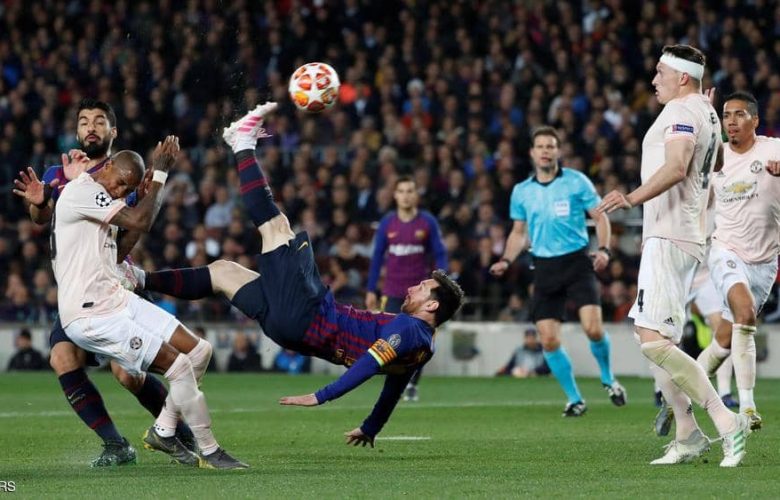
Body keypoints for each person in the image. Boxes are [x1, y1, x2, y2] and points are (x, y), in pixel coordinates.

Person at [137, 102, 465, 447]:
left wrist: (322, 395)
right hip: (292, 330)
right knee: (222, 272)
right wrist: (371, 427)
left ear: (431, 306)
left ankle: (242, 142)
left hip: (309, 315)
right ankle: (139, 279)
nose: (413, 287)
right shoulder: (423, 347)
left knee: (276, 227)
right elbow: (393, 389)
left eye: (423, 288)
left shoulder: (409, 329)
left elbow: (369, 363)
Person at [12, 99, 192, 467]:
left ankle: (183, 434)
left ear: (113, 132)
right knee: (62, 357)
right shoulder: (59, 172)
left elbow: (133, 232)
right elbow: (40, 217)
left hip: (112, 283)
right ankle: (115, 445)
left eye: (99, 121)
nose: (90, 127)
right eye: (84, 122)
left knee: (128, 374)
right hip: (77, 289)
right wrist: (40, 202)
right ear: (76, 130)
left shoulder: (126, 174)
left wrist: (147, 192)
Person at [47, 139, 246, 469]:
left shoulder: (102, 199)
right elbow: (142, 221)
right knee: (178, 367)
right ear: (108, 166)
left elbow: (121, 247)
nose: (119, 190)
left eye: (127, 188)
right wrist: (160, 175)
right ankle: (210, 450)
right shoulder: (83, 192)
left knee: (199, 351)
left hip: (116, 298)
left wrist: (144, 193)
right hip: (90, 314)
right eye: (119, 182)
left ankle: (163, 431)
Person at [599, 44, 750, 467]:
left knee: (653, 340)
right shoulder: (706, 112)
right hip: (682, 232)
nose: (653, 80)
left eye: (660, 72)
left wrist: (631, 198)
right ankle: (686, 433)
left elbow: (679, 165)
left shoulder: (683, 111)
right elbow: (714, 162)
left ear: (683, 77)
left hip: (670, 233)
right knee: (647, 335)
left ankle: (725, 420)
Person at [489, 125, 626, 417]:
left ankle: (608, 378)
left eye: (550, 146)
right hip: (544, 267)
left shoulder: (576, 182)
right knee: (549, 339)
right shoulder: (522, 191)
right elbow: (518, 233)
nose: (545, 151)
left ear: (558, 151)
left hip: (577, 262)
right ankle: (575, 399)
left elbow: (600, 217)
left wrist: (604, 249)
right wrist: (506, 260)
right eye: (540, 146)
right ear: (532, 153)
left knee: (593, 329)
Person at [694, 90, 780, 432]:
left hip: (766, 260)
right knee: (744, 314)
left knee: (725, 339)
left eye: (739, 114)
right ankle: (747, 407)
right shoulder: (715, 157)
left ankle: (682, 393)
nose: (731, 121)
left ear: (755, 120)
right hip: (726, 250)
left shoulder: (773, 149)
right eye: (726, 115)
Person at [365, 175, 448, 402]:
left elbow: (440, 253)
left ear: (416, 195)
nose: (406, 196)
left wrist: (439, 280)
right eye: (401, 191)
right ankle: (399, 381)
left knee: (421, 340)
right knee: (392, 339)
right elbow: (377, 258)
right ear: (395, 195)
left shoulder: (427, 222)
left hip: (420, 294)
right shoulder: (387, 223)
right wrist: (371, 289)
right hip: (392, 291)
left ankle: (412, 383)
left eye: (410, 191)